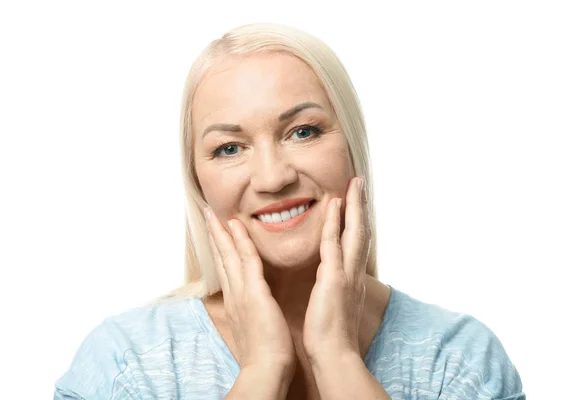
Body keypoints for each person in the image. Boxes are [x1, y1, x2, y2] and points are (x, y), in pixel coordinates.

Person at [54, 23, 525, 400]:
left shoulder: (459, 361)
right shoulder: (125, 366)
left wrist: (337, 359)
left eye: (303, 132)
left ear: (353, 150)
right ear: (199, 182)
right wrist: (263, 371)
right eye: (229, 147)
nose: (272, 177)